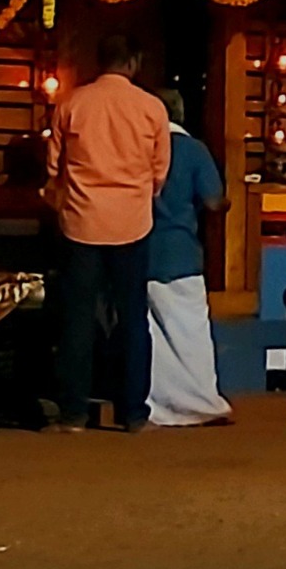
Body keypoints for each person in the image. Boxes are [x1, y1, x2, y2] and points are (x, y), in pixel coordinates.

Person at [44, 33, 171, 431]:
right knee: (133, 318)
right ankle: (133, 412)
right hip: (132, 223)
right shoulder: (152, 108)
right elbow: (159, 173)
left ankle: (73, 413)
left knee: (77, 320)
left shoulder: (71, 104)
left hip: (81, 221)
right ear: (132, 63)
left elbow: (53, 171)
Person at [142, 89, 232, 429]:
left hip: (143, 249)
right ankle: (200, 402)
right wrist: (226, 204)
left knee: (151, 335)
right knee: (190, 332)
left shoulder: (143, 149)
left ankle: (158, 406)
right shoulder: (194, 150)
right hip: (181, 253)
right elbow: (212, 202)